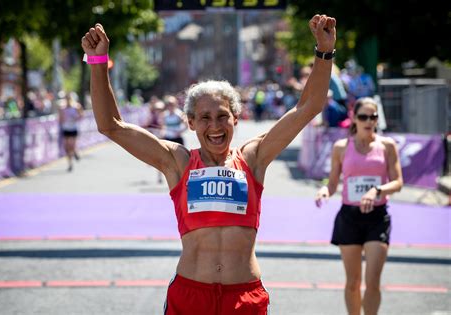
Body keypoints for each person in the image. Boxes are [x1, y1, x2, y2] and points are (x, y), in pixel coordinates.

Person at [82, 13, 336, 314]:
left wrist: (324, 51)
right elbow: (110, 125)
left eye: (222, 116)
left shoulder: (254, 158)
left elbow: (308, 107)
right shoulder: (176, 162)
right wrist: (98, 62)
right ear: (190, 122)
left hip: (244, 298)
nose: (214, 126)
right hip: (190, 296)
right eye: (204, 117)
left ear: (236, 118)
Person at [315, 97, 403, 315]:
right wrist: (325, 191)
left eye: (373, 117)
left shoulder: (387, 146)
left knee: (372, 281)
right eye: (363, 116)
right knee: (352, 282)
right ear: (354, 117)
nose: (369, 121)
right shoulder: (341, 147)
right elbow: (333, 183)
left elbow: (398, 182)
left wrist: (377, 191)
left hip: (377, 217)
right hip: (349, 217)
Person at [58, 92, 84, 172]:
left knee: (71, 145)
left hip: (74, 128)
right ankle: (70, 164)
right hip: (66, 129)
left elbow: (81, 115)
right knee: (66, 147)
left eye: (69, 98)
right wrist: (63, 118)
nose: (68, 100)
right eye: (66, 98)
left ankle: (75, 151)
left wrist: (75, 117)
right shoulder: (62, 108)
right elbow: (60, 120)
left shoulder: (76, 107)